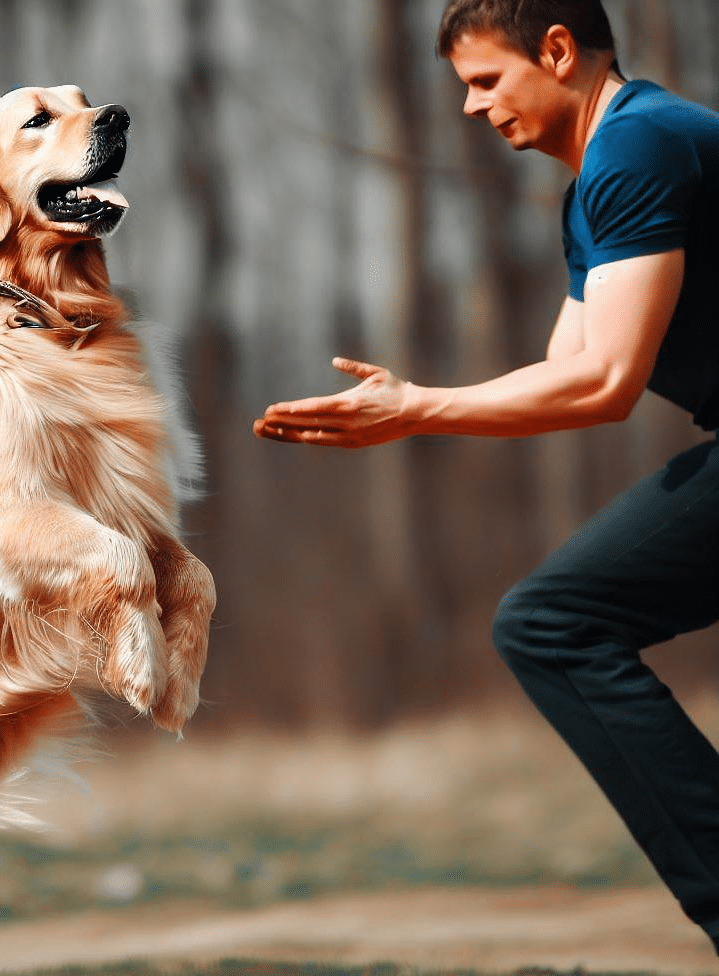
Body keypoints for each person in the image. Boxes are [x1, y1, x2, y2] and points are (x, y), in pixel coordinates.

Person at [253, 0, 719, 953]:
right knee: (552, 620)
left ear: (556, 50)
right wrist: (412, 403)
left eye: (484, 80)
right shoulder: (606, 174)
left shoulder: (640, 149)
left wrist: (416, 409)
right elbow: (564, 368)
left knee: (555, 623)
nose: (469, 109)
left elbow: (604, 381)